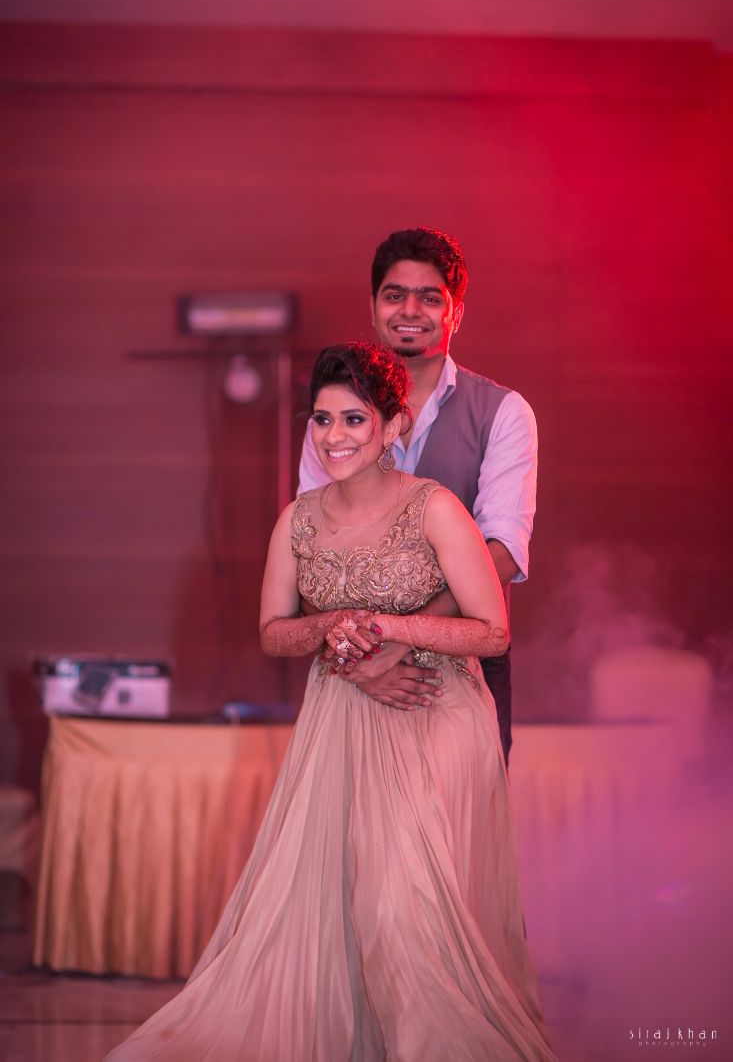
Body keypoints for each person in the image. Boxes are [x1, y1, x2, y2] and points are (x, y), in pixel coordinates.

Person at [105, 342, 554, 1062]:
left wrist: (388, 629)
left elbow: (492, 631)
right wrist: (335, 630)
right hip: (339, 716)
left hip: (432, 710)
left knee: (398, 898)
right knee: (337, 898)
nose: (334, 436)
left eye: (354, 419)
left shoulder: (435, 508)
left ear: (392, 426)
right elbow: (273, 632)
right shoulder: (298, 520)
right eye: (322, 419)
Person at [298, 227, 537, 765]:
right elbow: (307, 545)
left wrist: (402, 637)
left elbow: (501, 550)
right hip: (350, 667)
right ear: (373, 306)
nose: (410, 310)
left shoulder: (504, 413)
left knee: (459, 817)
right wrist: (361, 661)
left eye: (430, 297)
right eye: (395, 295)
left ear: (456, 313)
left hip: (464, 665)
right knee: (356, 819)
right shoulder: (333, 420)